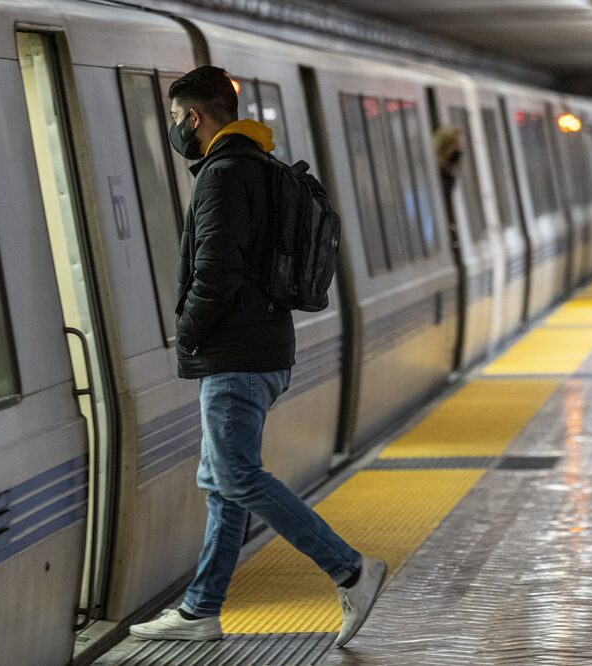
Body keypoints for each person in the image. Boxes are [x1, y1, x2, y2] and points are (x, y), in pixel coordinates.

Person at [129, 66, 386, 647]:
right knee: (221, 479)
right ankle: (201, 610)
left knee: (238, 476)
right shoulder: (261, 165)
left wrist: (189, 335)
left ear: (194, 117)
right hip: (260, 347)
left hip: (235, 355)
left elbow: (215, 272)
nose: (176, 130)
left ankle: (351, 571)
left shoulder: (221, 175)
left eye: (175, 119)